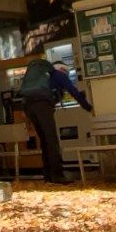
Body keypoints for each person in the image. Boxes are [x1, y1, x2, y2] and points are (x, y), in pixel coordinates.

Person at [18, 55, 94, 183]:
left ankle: (47, 175)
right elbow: (72, 90)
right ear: (64, 70)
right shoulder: (59, 75)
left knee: (44, 140)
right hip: (42, 106)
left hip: (29, 106)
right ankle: (57, 175)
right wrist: (87, 107)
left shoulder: (43, 76)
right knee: (51, 140)